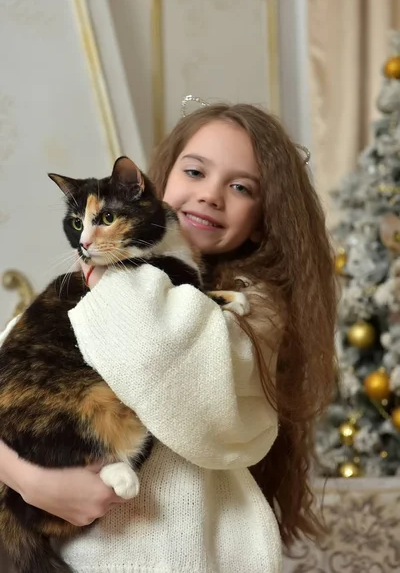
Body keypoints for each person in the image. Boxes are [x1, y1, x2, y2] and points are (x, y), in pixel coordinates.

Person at [0, 103, 337, 572]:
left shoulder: (254, 312)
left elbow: (165, 364)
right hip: (78, 556)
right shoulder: (89, 275)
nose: (211, 195)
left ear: (263, 216)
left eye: (240, 187)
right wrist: (28, 480)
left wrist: (103, 280)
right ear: (159, 182)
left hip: (187, 552)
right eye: (195, 171)